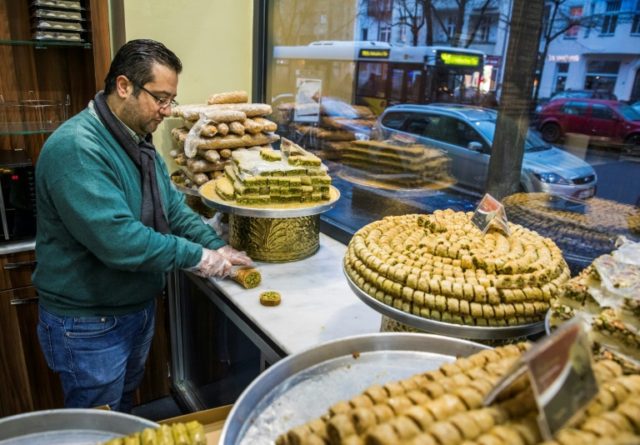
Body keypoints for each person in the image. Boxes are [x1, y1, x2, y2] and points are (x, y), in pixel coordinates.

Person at [32, 39, 252, 412]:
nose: (167, 110)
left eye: (171, 100)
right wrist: (197, 256)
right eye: (160, 98)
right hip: (89, 323)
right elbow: (121, 242)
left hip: (133, 308)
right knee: (97, 425)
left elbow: (174, 211)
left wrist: (217, 246)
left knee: (121, 409)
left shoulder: (138, 142)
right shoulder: (78, 149)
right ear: (123, 86)